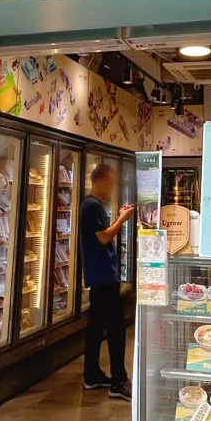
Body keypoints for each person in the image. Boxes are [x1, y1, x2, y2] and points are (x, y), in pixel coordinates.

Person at [80, 164, 134, 400]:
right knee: (116, 330)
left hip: (99, 277)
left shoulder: (92, 205)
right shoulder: (92, 206)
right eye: (110, 183)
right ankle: (118, 382)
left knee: (95, 329)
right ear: (100, 180)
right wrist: (122, 218)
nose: (112, 188)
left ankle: (91, 375)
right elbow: (103, 238)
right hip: (103, 278)